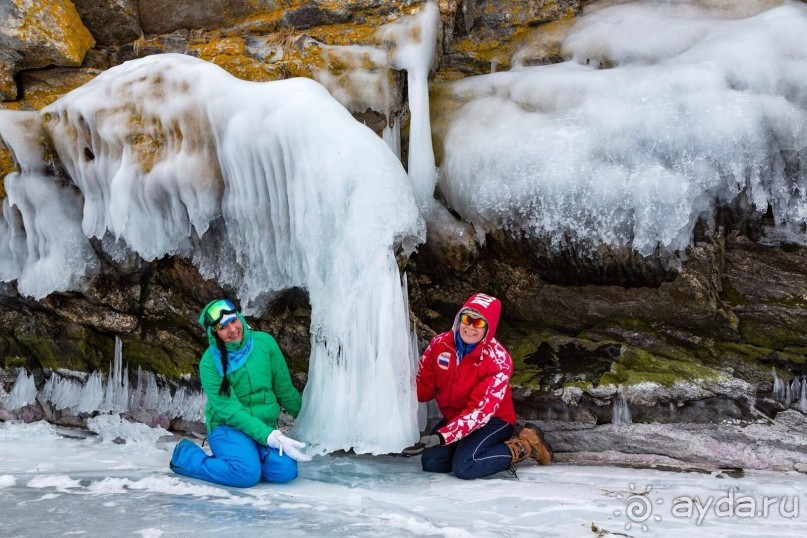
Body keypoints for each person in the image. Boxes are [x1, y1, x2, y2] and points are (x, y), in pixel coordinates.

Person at [405, 292, 553, 479]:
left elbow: (478, 412)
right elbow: (425, 390)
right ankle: (465, 446)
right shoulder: (439, 344)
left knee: (466, 466)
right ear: (459, 319)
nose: (470, 327)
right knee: (432, 463)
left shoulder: (498, 360)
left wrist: (442, 436)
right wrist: (400, 384)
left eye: (479, 323)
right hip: (456, 417)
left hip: (493, 421)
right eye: (467, 319)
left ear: (488, 328)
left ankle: (526, 445)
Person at [170, 298, 311, 487]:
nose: (233, 329)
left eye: (234, 320)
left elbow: (285, 390)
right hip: (228, 427)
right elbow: (231, 411)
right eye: (223, 327)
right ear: (214, 333)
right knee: (245, 475)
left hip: (263, 424)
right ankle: (185, 455)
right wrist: (268, 436)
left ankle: (247, 458)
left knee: (285, 471)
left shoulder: (265, 343)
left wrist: (312, 423)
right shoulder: (209, 364)